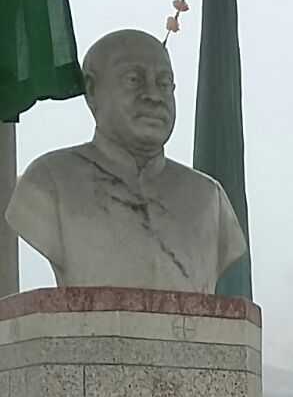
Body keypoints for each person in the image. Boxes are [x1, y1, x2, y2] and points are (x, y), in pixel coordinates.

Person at [5, 29, 246, 292]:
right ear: (92, 90)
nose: (153, 96)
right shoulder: (48, 182)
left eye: (164, 83)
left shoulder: (208, 197)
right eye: (134, 80)